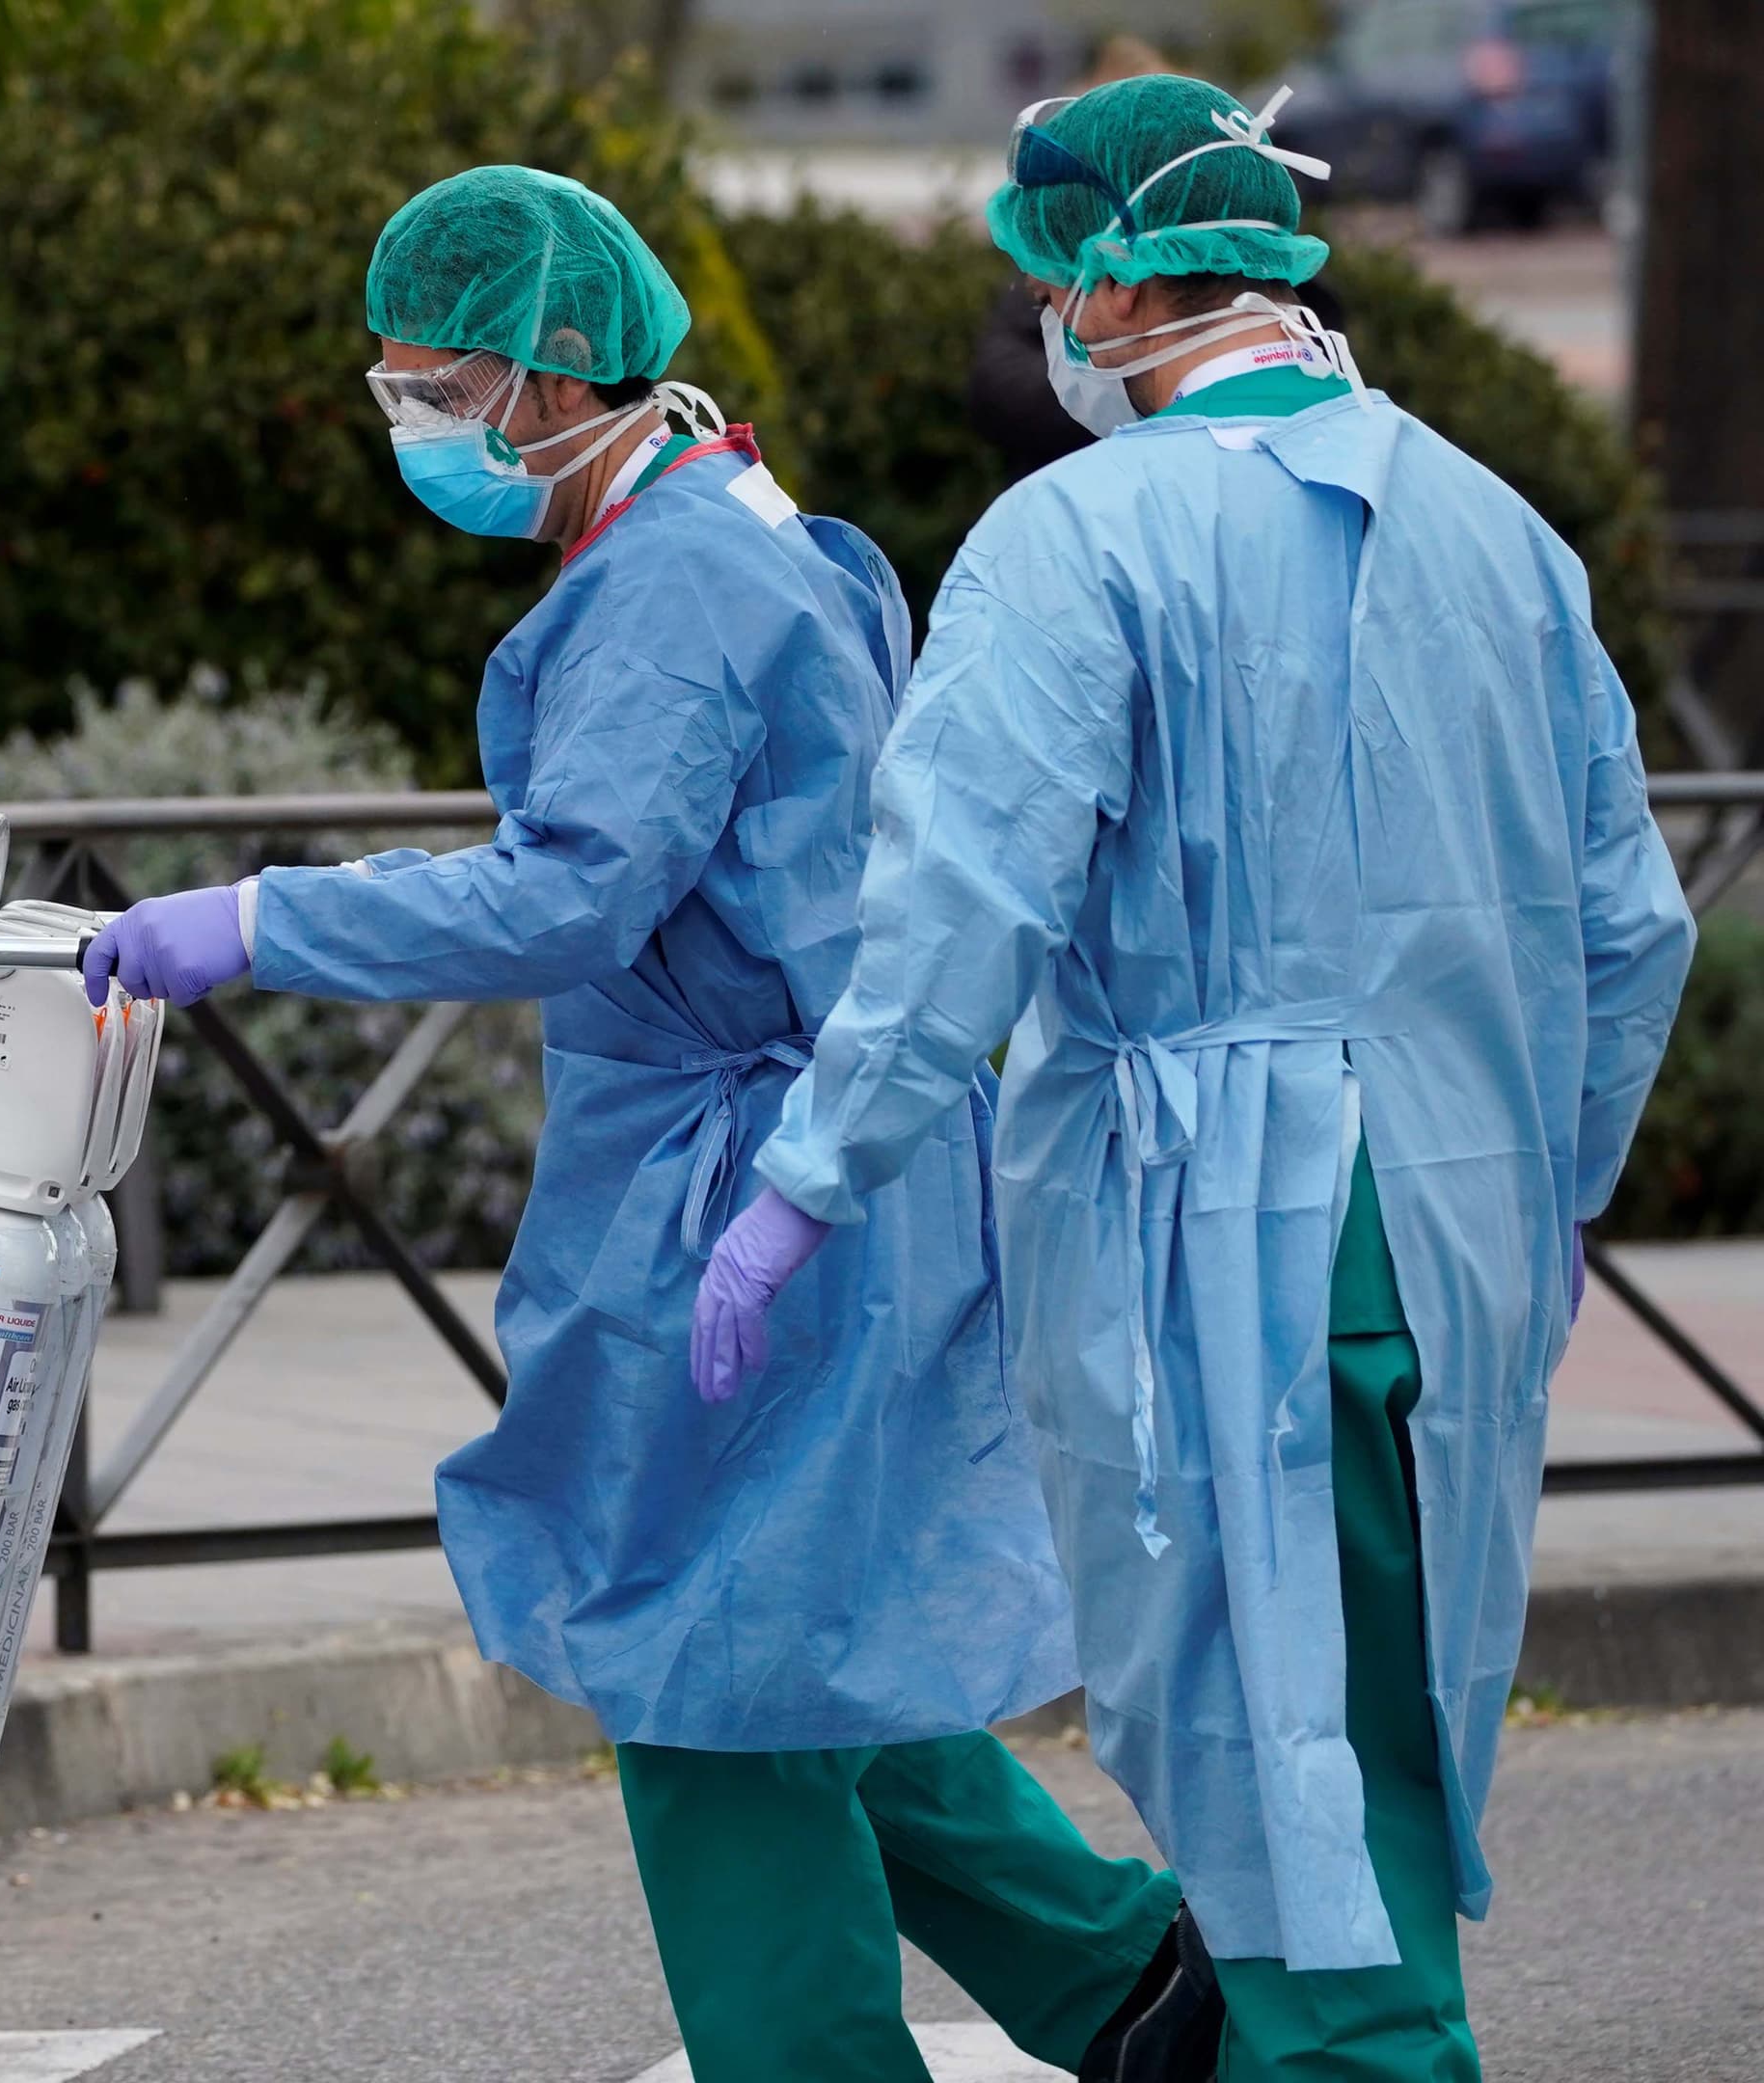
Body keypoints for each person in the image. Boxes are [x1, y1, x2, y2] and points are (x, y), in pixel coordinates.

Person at [87, 164, 1213, 2083]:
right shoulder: (733, 524)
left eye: (437, 387)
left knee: (708, 1681)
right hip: (812, 1157)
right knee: (803, 1642)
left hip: (754, 1187)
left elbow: (571, 896)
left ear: (550, 376)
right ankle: (1138, 1997)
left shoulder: (673, 579)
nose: (414, 425)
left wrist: (265, 917)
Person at [695, 74, 1696, 2083]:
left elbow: (957, 906)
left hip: (1220, 1227)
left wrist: (810, 1179)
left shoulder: (1075, 536)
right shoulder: (1496, 527)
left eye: (1047, 284)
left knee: (1274, 1743)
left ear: (1117, 286)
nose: (1043, 327)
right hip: (1461, 1207)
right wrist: (1557, 1182)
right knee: (1385, 1723)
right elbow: (1631, 921)